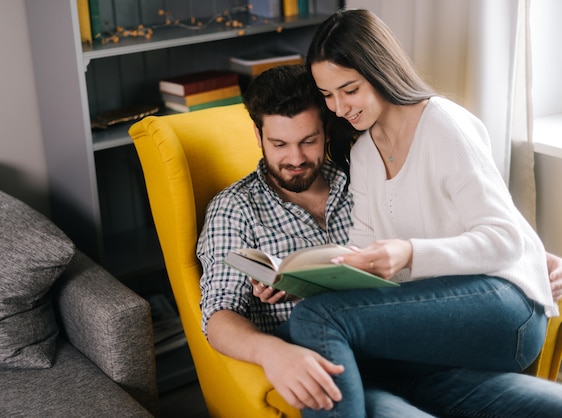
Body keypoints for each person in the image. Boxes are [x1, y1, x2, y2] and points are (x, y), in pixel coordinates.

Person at [197, 64, 562, 417]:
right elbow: (218, 315)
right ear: (258, 137)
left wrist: (530, 255)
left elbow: (446, 226)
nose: (295, 158)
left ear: (325, 131)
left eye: (308, 142)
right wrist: (272, 353)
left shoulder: (364, 173)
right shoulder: (234, 209)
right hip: (346, 373)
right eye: (279, 144)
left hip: (422, 354)